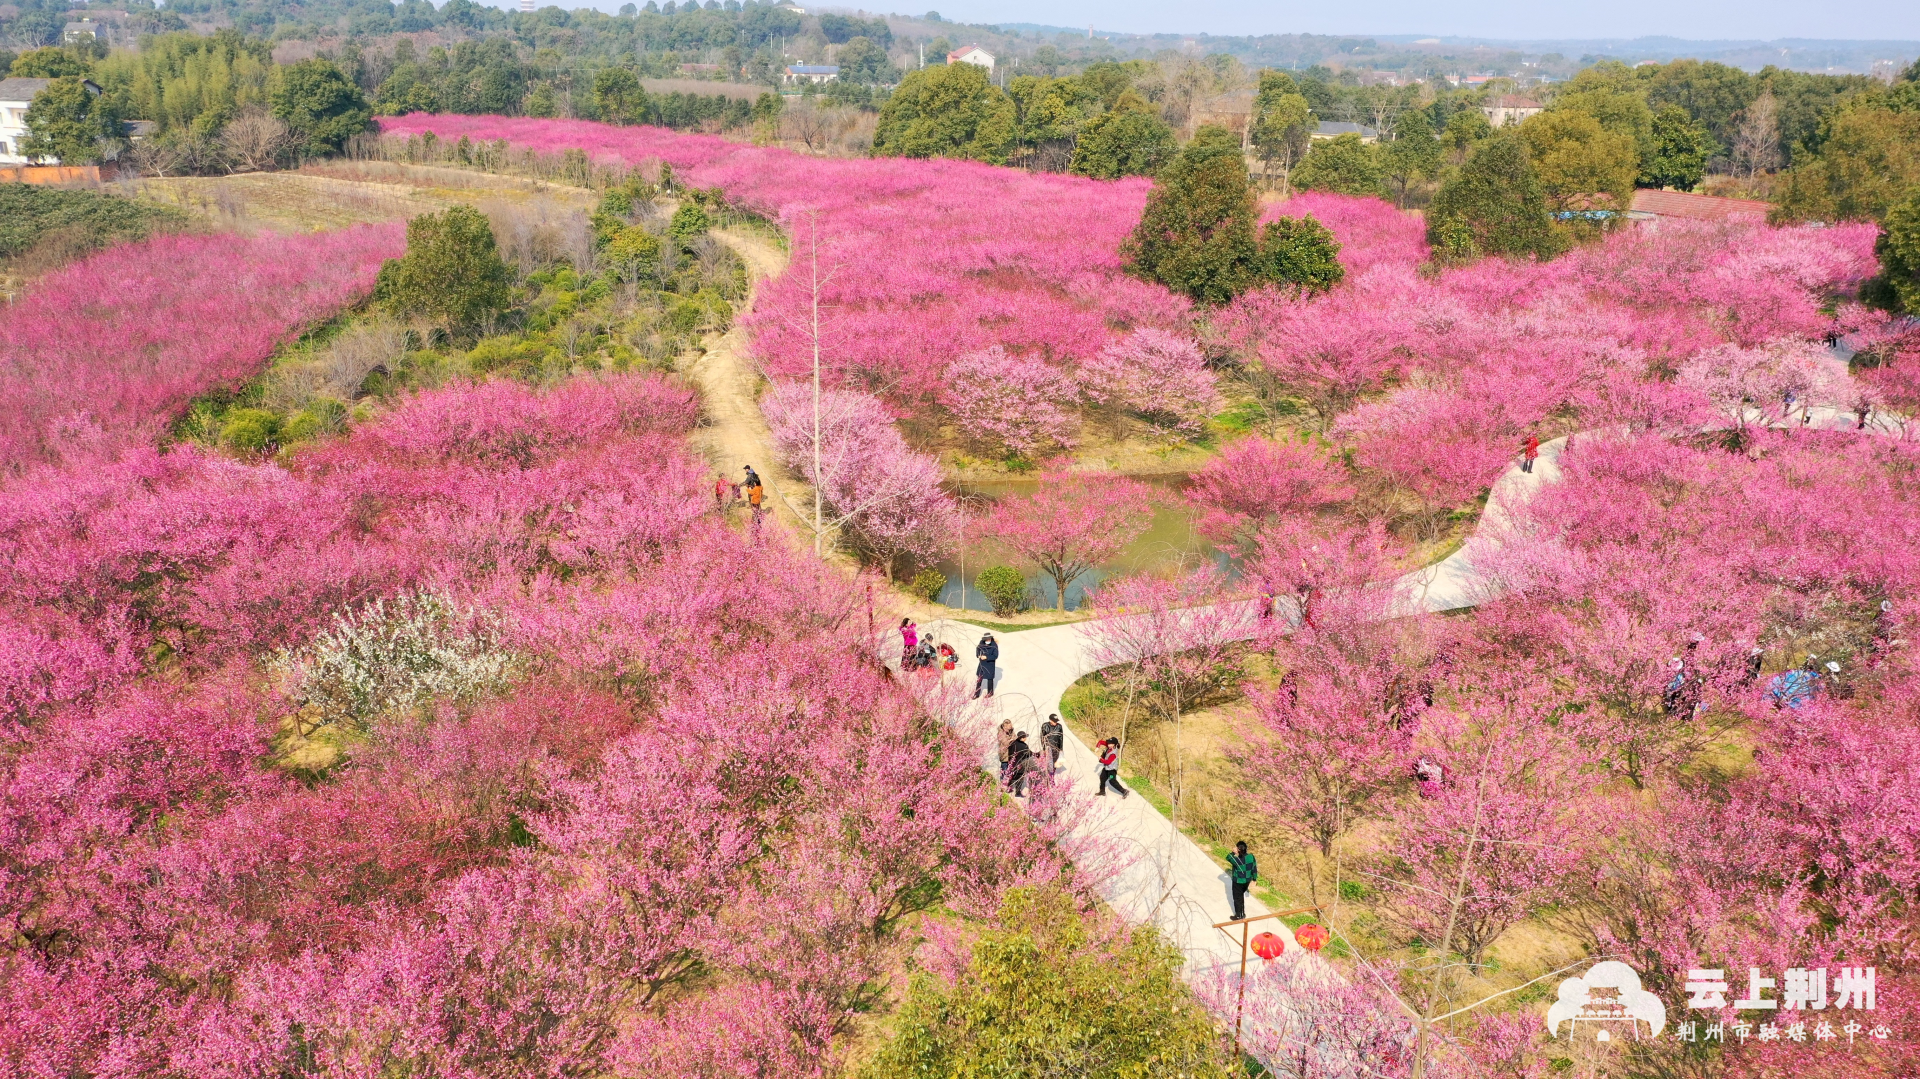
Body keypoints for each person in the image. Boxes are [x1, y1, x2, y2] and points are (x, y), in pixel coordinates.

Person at [1227, 841, 1258, 922]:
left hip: (1238, 882)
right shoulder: (1251, 856)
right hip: (1247, 881)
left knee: (1237, 898)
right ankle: (1241, 913)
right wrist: (1254, 879)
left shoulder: (1236, 860)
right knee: (1240, 897)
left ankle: (1239, 916)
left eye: (1237, 848)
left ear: (1239, 850)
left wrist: (1233, 852)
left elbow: (1228, 857)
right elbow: (1254, 868)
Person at [973, 633, 999, 699]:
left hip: (990, 664)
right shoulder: (981, 643)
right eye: (986, 639)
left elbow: (995, 656)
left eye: (989, 639)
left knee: (990, 679)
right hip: (982, 664)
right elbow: (978, 648)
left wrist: (986, 657)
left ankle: (990, 693)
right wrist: (978, 655)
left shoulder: (994, 645)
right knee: (979, 679)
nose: (988, 640)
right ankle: (976, 693)